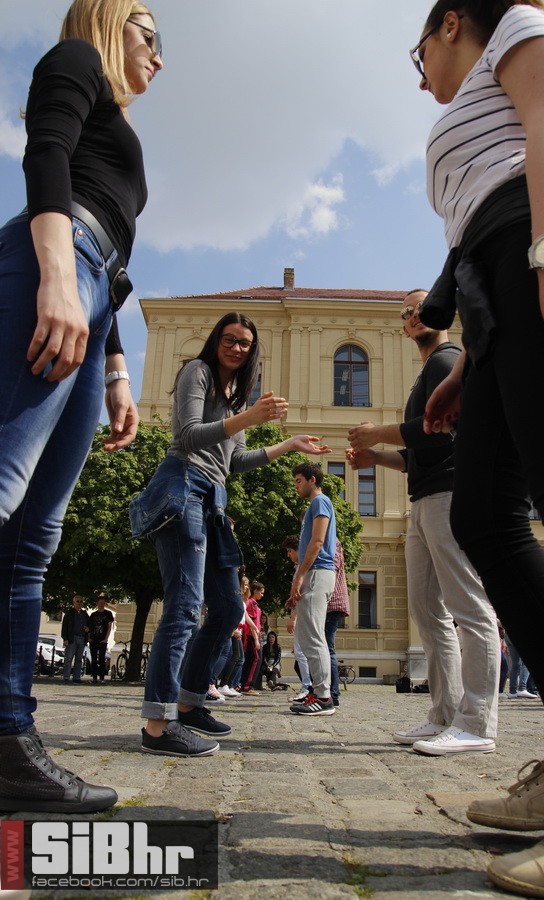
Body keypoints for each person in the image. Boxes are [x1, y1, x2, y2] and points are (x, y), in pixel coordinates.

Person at [413, 1, 544, 894]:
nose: (415, 70)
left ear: (452, 22)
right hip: (500, 286)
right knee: (487, 518)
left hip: (541, 248)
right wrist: (472, 364)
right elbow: (469, 229)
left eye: (417, 47)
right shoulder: (457, 111)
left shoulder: (521, 22)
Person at [0, 0, 162, 814]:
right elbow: (47, 155)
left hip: (94, 288)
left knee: (34, 537)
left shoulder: (117, 111)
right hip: (54, 265)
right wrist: (59, 277)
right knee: (1, 491)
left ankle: (9, 739)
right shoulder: (74, 63)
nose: (159, 57)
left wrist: (117, 369)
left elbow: (120, 260)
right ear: (107, 20)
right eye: (149, 33)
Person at [133, 312, 330, 756]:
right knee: (184, 607)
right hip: (183, 486)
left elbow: (235, 462)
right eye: (229, 339)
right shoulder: (196, 373)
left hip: (214, 500)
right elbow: (187, 435)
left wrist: (288, 443)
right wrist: (251, 418)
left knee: (226, 608)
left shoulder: (235, 399)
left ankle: (189, 704)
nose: (236, 347)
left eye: (244, 342)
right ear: (216, 340)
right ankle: (157, 726)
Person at [347, 290, 499, 755]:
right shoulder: (428, 370)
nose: (412, 316)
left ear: (443, 313)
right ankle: (443, 715)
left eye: (420, 308)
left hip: (449, 495)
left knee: (467, 607)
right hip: (424, 499)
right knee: (428, 613)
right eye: (406, 312)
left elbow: (435, 435)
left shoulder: (446, 360)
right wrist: (380, 456)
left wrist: (376, 432)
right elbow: (420, 453)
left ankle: (478, 723)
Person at [288, 462, 337, 717]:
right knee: (308, 636)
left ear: (312, 480)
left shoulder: (320, 502)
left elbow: (317, 542)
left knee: (314, 636)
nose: (296, 486)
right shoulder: (313, 506)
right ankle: (317, 691)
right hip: (314, 575)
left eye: (298, 481)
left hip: (318, 573)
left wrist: (300, 576)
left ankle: (324, 697)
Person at [283, 534, 313, 702]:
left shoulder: (303, 567)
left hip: (303, 615)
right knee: (302, 653)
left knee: (302, 654)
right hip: (303, 613)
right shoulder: (301, 566)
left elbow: (300, 594)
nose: (288, 555)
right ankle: (308, 687)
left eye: (289, 551)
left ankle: (307, 687)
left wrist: (293, 617)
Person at [326, 538, 350, 708]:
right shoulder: (330, 540)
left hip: (331, 602)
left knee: (327, 648)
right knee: (326, 647)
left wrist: (324, 594)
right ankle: (330, 692)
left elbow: (332, 568)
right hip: (332, 602)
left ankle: (333, 693)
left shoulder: (330, 541)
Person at [240, 581, 264, 693]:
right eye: (261, 592)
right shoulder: (251, 603)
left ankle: (246, 684)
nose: (262, 595)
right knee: (254, 659)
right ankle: (247, 685)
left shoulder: (254, 603)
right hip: (251, 636)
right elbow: (252, 622)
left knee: (252, 659)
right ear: (256, 591)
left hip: (253, 635)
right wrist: (256, 639)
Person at [61, 595, 90, 684]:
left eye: (81, 602)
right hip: (72, 638)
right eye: (77, 601)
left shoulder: (84, 614)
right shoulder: (69, 613)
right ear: (74, 602)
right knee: (69, 658)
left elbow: (89, 625)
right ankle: (66, 677)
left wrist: (88, 629)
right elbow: (64, 626)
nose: (79, 603)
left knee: (79, 659)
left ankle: (76, 677)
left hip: (82, 638)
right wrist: (65, 638)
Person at [88, 593, 114, 684]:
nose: (101, 604)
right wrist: (89, 638)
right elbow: (89, 627)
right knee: (94, 659)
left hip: (103, 639)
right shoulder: (93, 615)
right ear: (97, 603)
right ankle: (94, 677)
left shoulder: (108, 614)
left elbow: (109, 626)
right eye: (100, 602)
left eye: (103, 602)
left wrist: (106, 638)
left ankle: (102, 678)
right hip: (93, 639)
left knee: (102, 659)